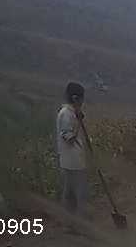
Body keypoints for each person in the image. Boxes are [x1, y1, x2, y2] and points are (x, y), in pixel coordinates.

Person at [55, 82, 88, 216]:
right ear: (75, 99)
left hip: (74, 160)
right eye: (81, 99)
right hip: (72, 162)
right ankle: (76, 220)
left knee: (72, 194)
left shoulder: (71, 113)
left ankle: (72, 220)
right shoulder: (66, 114)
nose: (83, 102)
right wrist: (79, 121)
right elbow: (69, 138)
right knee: (76, 194)